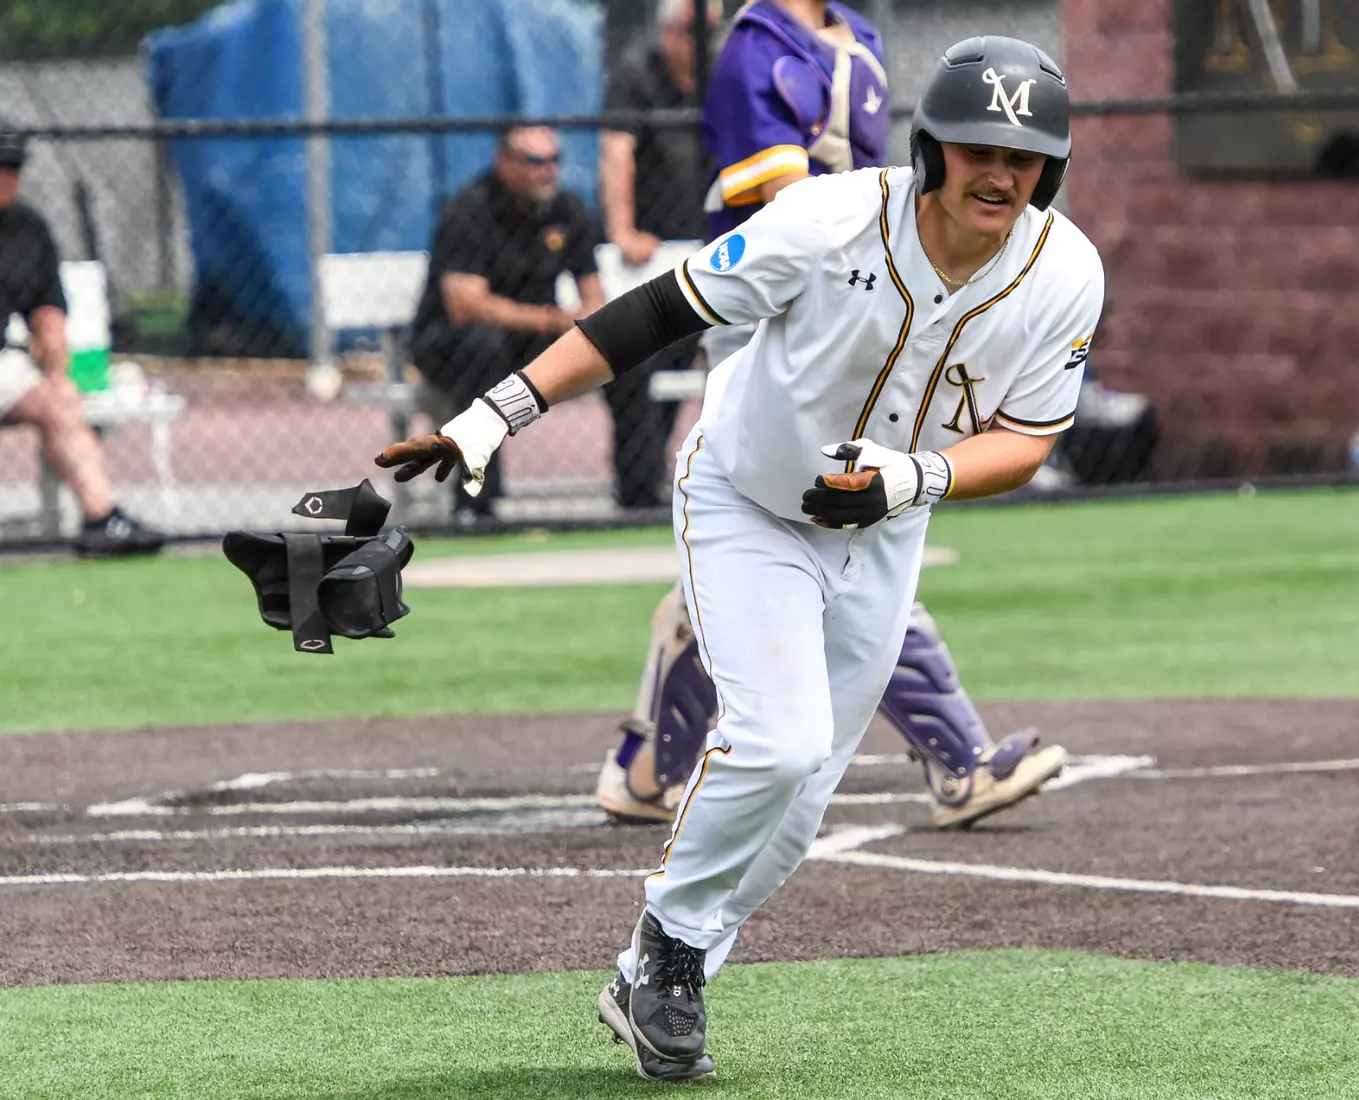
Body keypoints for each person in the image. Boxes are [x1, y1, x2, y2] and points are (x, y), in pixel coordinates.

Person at [377, 37, 1103, 1081]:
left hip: (882, 528)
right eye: (976, 146)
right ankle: (671, 939)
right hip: (746, 500)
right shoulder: (830, 218)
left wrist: (912, 480)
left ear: (1051, 169)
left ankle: (653, 977)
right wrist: (497, 414)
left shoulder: (1064, 271)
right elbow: (653, 314)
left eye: (1024, 156)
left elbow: (1028, 439)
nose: (1000, 172)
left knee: (805, 792)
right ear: (932, 146)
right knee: (777, 738)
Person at [593, 0, 1071, 834]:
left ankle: (648, 764)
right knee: (844, 527)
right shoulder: (756, 47)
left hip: (879, 308)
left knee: (808, 539)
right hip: (787, 309)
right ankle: (957, 759)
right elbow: (794, 206)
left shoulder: (860, 35)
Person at [410, 125, 605, 530]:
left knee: (623, 347)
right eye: (535, 161)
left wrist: (582, 323)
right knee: (482, 349)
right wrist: (551, 319)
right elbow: (465, 305)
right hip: (449, 342)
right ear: (505, 163)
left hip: (528, 341)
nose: (546, 170)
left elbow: (595, 298)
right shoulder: (469, 209)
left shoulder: (566, 210)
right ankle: (476, 501)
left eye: (554, 160)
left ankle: (641, 494)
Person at [0, 121, 165, 557]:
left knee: (61, 399)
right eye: (0, 167)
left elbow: (47, 307)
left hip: (3, 365)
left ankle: (101, 519)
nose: (7, 177)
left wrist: (52, 343)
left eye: (13, 167)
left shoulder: (27, 227)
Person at [598, 0, 719, 509]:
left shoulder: (724, 72)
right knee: (640, 356)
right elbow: (617, 152)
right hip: (653, 253)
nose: (706, 43)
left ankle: (717, 479)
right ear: (671, 33)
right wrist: (623, 230)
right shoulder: (637, 74)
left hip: (715, 244)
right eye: (696, 33)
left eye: (712, 33)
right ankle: (638, 486)